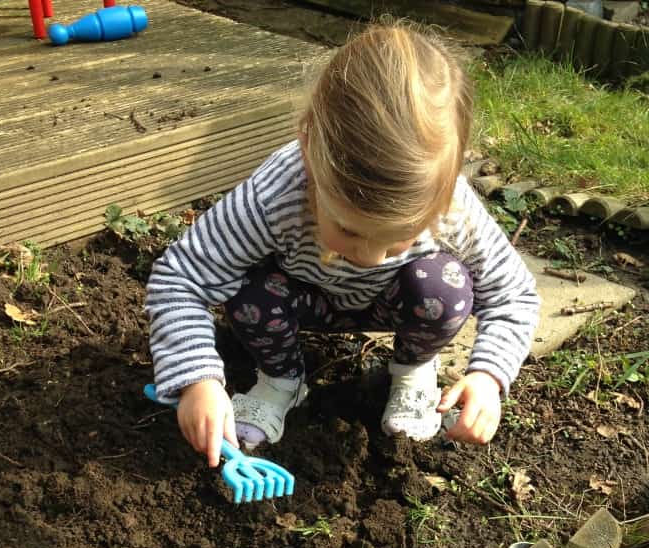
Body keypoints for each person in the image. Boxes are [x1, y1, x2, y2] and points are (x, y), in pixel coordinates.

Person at [145, 22, 540, 468]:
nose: (368, 256)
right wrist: (197, 380)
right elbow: (181, 277)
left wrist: (487, 376)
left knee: (442, 286)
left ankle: (411, 372)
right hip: (298, 304)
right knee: (247, 288)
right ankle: (281, 380)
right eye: (349, 230)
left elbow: (514, 295)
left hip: (400, 306)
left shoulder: (454, 209)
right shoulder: (276, 195)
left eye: (394, 241)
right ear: (309, 145)